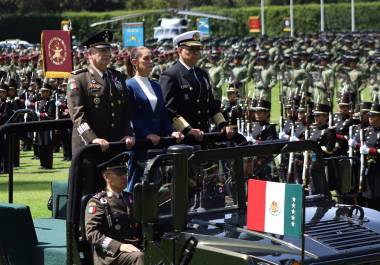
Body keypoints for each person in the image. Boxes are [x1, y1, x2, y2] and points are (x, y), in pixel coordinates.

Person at [67, 30, 135, 193]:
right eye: (101, 51)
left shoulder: (117, 77)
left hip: (114, 147)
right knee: (89, 194)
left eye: (108, 50)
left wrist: (127, 132)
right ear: (89, 54)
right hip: (90, 150)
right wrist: (93, 139)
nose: (106, 54)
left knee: (114, 195)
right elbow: (77, 115)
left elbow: (126, 111)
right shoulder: (78, 79)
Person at [125, 46, 183, 191]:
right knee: (136, 186)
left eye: (151, 58)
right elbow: (130, 116)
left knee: (158, 187)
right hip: (140, 144)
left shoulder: (156, 86)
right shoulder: (129, 85)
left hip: (158, 144)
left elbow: (162, 113)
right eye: (146, 58)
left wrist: (171, 132)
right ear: (134, 62)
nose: (151, 61)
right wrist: (146, 134)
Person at [159, 30, 234, 142]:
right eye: (191, 49)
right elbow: (169, 109)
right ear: (179, 50)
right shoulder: (170, 75)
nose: (195, 52)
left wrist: (222, 124)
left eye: (198, 49)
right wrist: (187, 129)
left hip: (204, 134)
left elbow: (211, 104)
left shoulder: (202, 74)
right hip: (183, 138)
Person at [85, 154, 144, 265]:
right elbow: (91, 233)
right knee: (139, 257)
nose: (124, 177)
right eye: (119, 174)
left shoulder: (130, 197)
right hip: (110, 254)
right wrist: (119, 246)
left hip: (133, 247)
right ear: (106, 177)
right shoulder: (98, 202)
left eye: (125, 173)